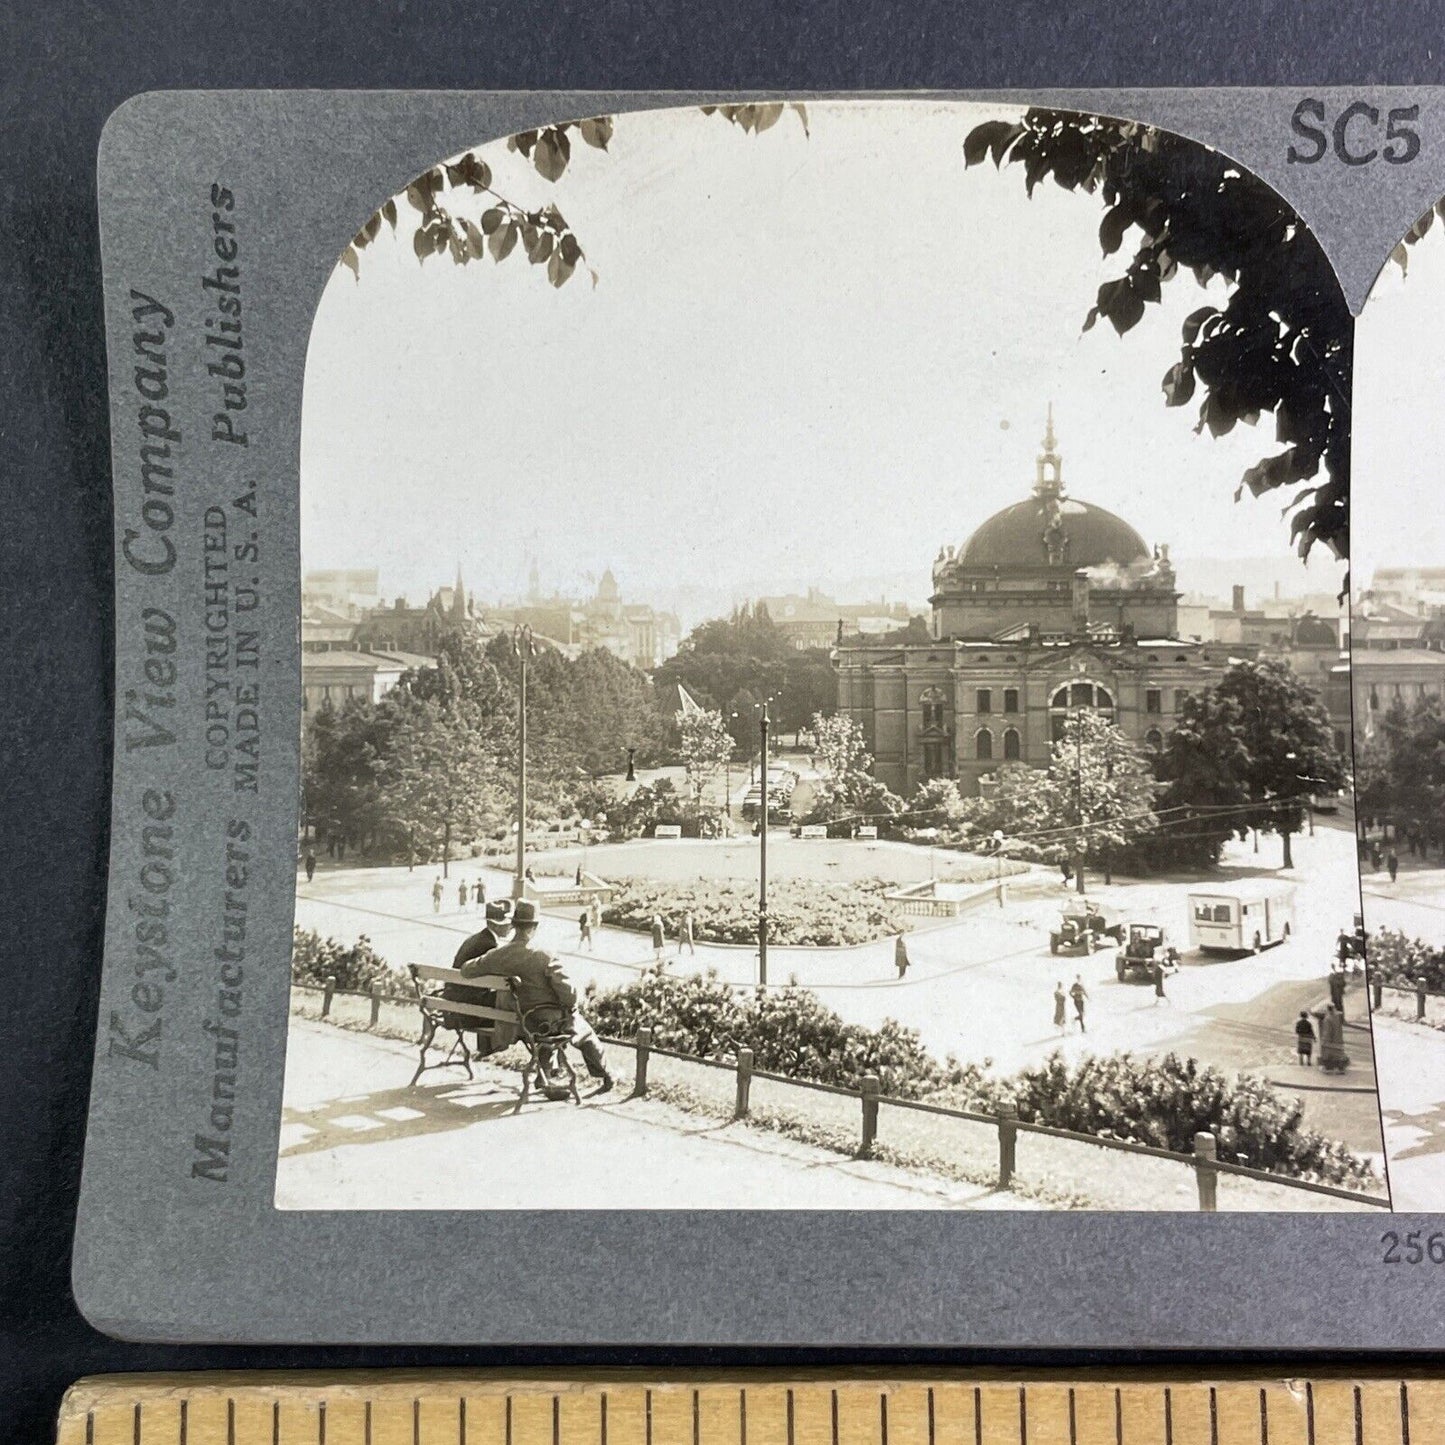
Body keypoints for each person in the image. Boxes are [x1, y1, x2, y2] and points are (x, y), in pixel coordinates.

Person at [469, 899, 612, 1095]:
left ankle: (544, 1076)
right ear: (534, 927)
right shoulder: (545, 955)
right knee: (580, 1028)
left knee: (548, 1021)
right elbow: (569, 995)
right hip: (543, 1024)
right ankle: (607, 1075)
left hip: (514, 1024)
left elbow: (467, 970)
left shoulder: (498, 955)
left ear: (513, 924)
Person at [447, 900, 514, 1056]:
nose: (511, 927)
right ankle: (495, 1045)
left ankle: (486, 1048)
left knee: (487, 993)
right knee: (506, 998)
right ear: (497, 925)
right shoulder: (489, 946)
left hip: (453, 1003)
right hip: (468, 1011)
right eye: (508, 924)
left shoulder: (476, 939)